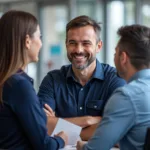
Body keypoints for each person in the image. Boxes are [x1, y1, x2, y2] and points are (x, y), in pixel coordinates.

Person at [38, 15, 126, 139]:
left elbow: (117, 127)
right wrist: (89, 120)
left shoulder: (115, 79)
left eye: (86, 43)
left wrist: (56, 121)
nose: (78, 50)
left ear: (98, 46)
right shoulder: (52, 80)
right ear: (66, 45)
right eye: (72, 43)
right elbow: (41, 124)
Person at [0, 10, 68, 150]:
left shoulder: (6, 80)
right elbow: (45, 146)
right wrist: (61, 139)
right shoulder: (19, 85)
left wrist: (36, 115)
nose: (41, 44)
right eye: (39, 36)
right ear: (27, 41)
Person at [77, 24, 150, 150]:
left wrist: (82, 147)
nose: (114, 57)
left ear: (123, 58)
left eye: (116, 53)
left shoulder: (127, 96)